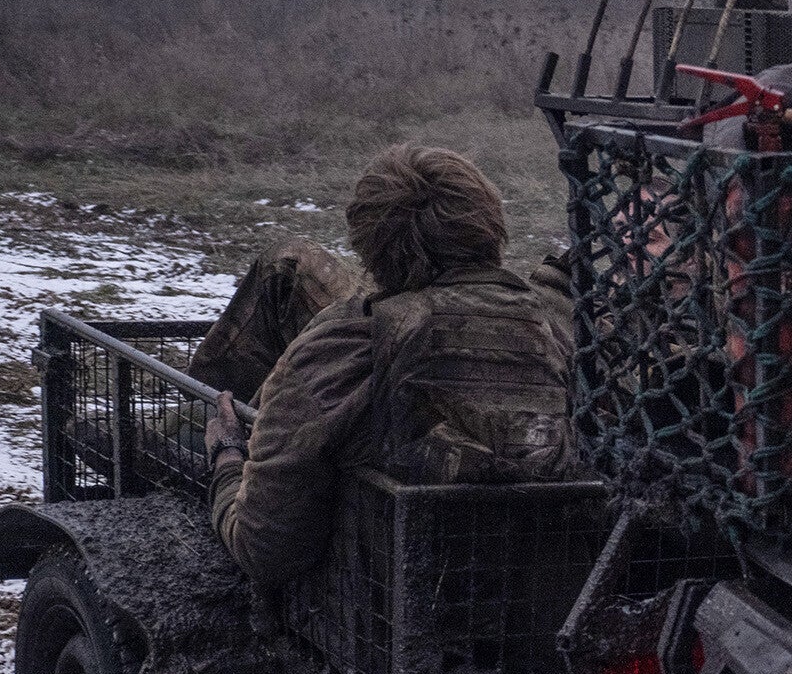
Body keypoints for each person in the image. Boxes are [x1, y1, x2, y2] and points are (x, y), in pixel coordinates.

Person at [202, 143, 576, 584]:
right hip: (543, 599)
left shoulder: (339, 351)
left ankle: (195, 430)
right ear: (492, 227)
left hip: (383, 605)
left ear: (367, 248)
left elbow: (265, 550)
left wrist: (227, 457)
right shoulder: (562, 331)